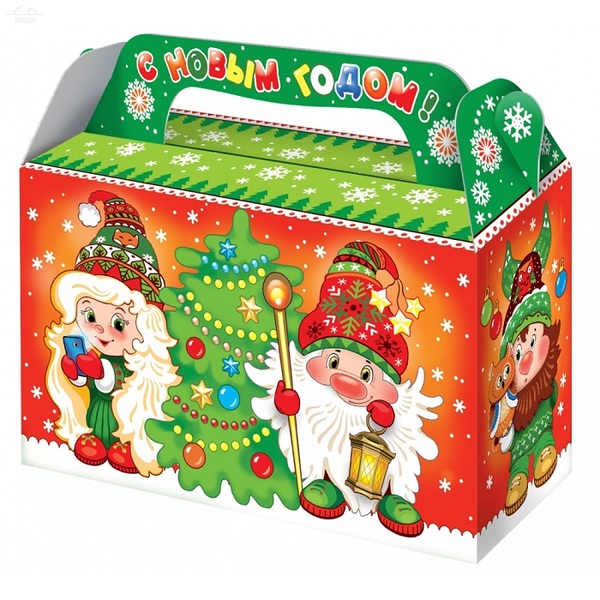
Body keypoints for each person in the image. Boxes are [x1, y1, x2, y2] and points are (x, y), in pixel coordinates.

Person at [45, 190, 180, 476]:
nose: (100, 329)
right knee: (96, 420)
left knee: (124, 420)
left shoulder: (137, 366)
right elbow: (85, 384)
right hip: (96, 411)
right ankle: (94, 438)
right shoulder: (90, 349)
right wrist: (75, 372)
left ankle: (128, 444)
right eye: (89, 316)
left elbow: (121, 382)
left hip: (125, 418)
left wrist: (101, 371)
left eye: (119, 324)